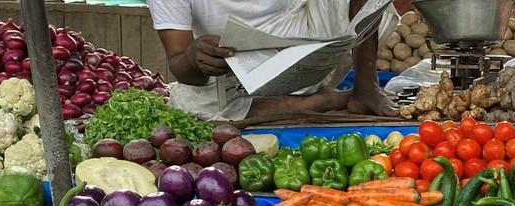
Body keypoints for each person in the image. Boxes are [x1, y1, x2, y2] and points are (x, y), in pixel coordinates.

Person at [150, 0, 399, 120]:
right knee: (189, 105)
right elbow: (179, 63)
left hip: (308, 39)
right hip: (234, 75)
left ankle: (365, 90)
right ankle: (317, 102)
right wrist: (195, 58)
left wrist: (367, 81)